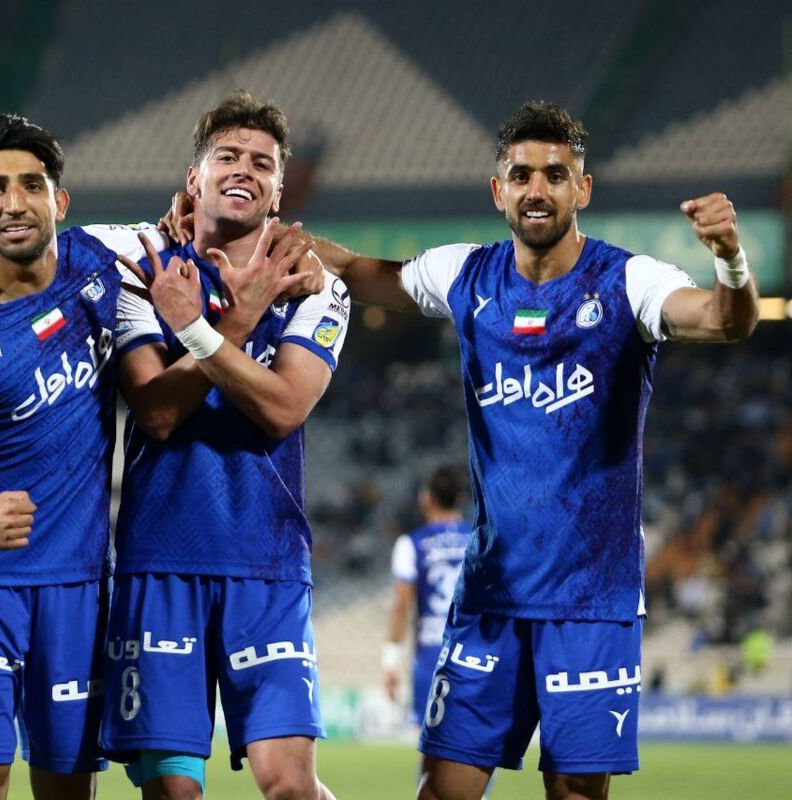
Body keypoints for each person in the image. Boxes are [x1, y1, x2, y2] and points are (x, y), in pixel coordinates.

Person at [306, 100, 758, 800]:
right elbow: (355, 270)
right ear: (499, 190)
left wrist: (729, 258)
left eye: (555, 174)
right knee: (441, 792)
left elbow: (727, 321)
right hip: (492, 595)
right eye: (521, 175)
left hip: (591, 602)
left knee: (574, 795)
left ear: (583, 188)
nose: (537, 189)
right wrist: (253, 232)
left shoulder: (628, 281)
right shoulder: (466, 275)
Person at [0, 113, 196, 800]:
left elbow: (198, 228)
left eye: (31, 185)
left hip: (78, 587)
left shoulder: (104, 258)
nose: (15, 202)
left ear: (61, 201)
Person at [102, 90, 343, 800]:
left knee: (290, 786)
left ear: (278, 191)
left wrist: (198, 330)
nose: (244, 170)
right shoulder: (143, 272)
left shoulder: (315, 289)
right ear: (194, 178)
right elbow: (155, 411)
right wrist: (232, 327)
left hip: (267, 566)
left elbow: (284, 407)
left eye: (262, 163)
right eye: (227, 156)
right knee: (173, 794)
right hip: (158, 564)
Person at [385, 466, 472, 729]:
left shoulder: (411, 544)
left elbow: (402, 604)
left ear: (426, 498)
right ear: (461, 499)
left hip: (433, 652)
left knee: (431, 743)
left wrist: (390, 660)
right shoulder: (479, 539)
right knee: (474, 741)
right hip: (473, 651)